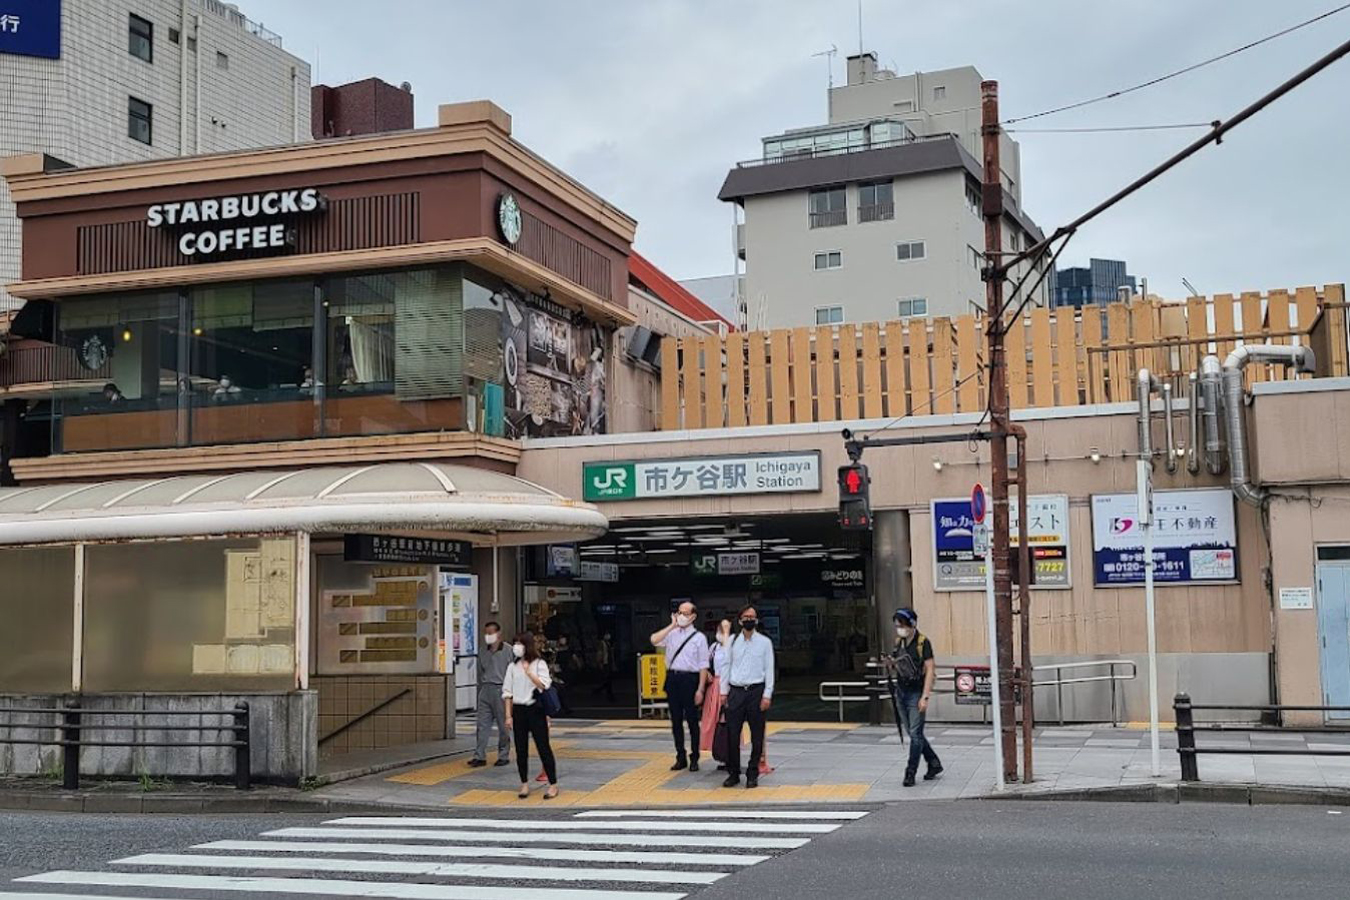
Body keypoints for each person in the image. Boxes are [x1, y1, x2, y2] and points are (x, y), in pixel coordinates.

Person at [650, 601, 710, 772]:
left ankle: (694, 757)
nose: (681, 616)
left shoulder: (699, 638)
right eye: (679, 612)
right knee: (675, 720)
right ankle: (680, 756)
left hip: (690, 679)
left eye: (685, 613)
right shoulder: (672, 633)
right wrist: (672, 625)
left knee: (692, 720)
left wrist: (700, 689)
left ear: (693, 616)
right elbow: (654, 640)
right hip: (672, 678)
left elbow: (703, 665)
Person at [885, 607, 943, 787]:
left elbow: (930, 669)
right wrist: (890, 664)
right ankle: (934, 763)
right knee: (913, 732)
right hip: (901, 691)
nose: (900, 629)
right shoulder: (899, 642)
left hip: (916, 692)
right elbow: (898, 664)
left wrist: (925, 696)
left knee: (916, 734)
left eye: (902, 625)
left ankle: (910, 772)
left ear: (912, 624)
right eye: (897, 625)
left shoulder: (923, 642)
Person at [720, 605, 774, 789]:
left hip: (756, 691)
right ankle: (733, 773)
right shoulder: (732, 641)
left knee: (757, 735)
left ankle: (752, 773)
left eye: (752, 617)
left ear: (756, 620)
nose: (749, 620)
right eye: (746, 617)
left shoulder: (765, 642)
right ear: (740, 620)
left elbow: (769, 669)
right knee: (732, 735)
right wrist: (723, 691)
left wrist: (767, 694)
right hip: (735, 691)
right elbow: (725, 666)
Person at [502, 632, 559, 799]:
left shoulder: (539, 663)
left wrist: (530, 673)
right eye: (515, 644)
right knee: (521, 749)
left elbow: (544, 685)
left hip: (536, 709)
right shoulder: (512, 667)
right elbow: (507, 692)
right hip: (519, 710)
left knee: (543, 747)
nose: (516, 647)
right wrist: (508, 715)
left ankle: (553, 784)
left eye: (519, 644)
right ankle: (524, 784)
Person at [467, 622, 512, 769]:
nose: (488, 636)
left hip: (502, 689)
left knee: (503, 725)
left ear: (499, 634)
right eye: (486, 633)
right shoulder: (482, 651)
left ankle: (503, 755)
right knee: (482, 724)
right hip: (485, 688)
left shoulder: (509, 651)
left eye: (491, 633)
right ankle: (479, 755)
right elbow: (481, 670)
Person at [593, 631, 617, 702]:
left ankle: (598, 690)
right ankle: (609, 695)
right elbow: (600, 653)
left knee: (607, 680)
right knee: (607, 680)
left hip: (608, 663)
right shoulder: (602, 643)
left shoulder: (608, 643)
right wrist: (599, 663)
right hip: (605, 664)